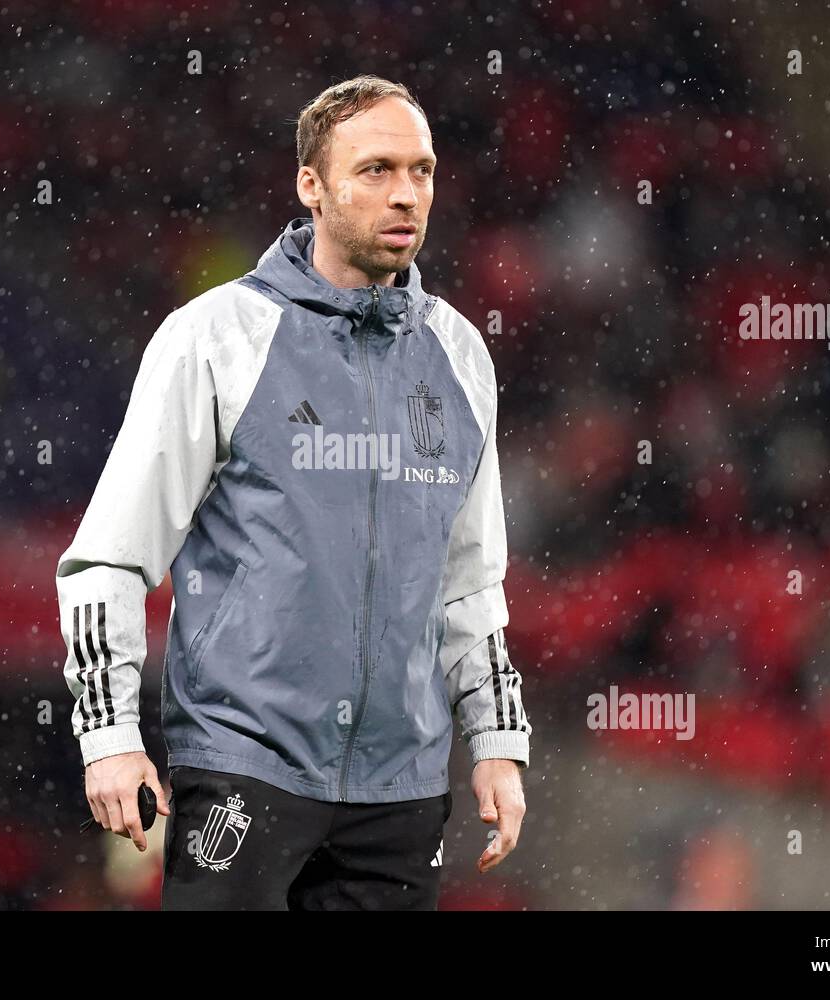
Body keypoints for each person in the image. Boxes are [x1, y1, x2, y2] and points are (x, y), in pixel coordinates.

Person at [56, 74, 531, 910]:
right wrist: (109, 735)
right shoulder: (214, 338)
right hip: (245, 767)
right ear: (311, 185)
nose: (406, 195)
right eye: (376, 169)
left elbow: (471, 583)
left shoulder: (460, 355)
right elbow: (107, 562)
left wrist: (497, 741)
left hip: (402, 788)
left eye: (421, 171)